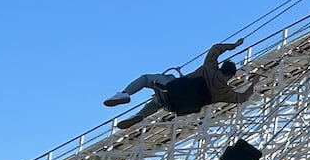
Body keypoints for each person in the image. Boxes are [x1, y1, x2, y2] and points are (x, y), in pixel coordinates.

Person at [105, 39, 261, 130]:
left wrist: (234, 45)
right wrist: (253, 83)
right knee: (160, 103)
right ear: (231, 76)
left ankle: (125, 94)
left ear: (222, 67)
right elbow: (242, 97)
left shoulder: (210, 68)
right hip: (178, 106)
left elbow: (215, 49)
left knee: (147, 79)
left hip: (172, 88)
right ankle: (140, 116)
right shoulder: (225, 93)